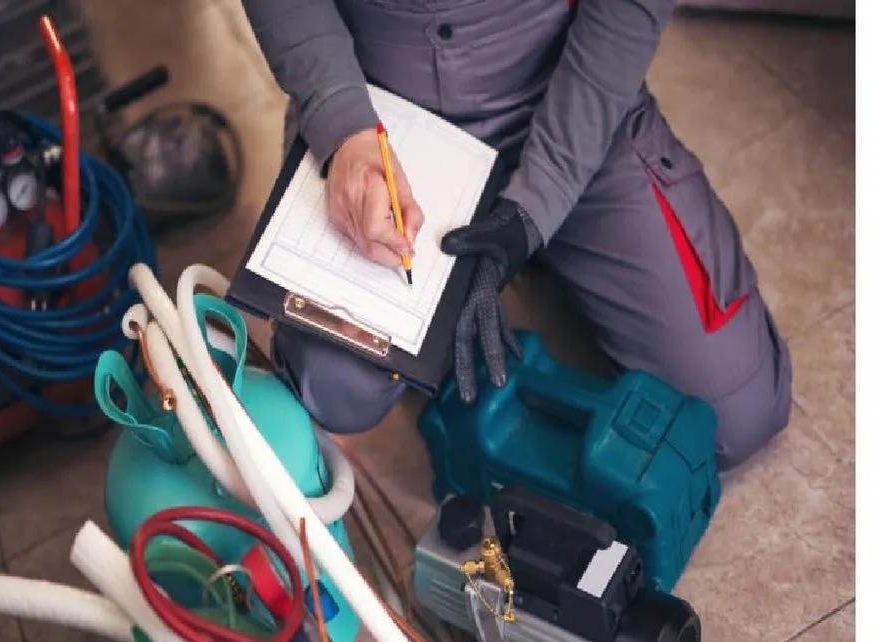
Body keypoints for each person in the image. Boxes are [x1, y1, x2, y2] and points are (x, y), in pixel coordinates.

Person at [242, 0, 792, 471]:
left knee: (735, 416)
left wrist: (540, 200)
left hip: (563, 103)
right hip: (381, 120)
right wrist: (343, 129)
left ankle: (549, 251)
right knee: (336, 392)